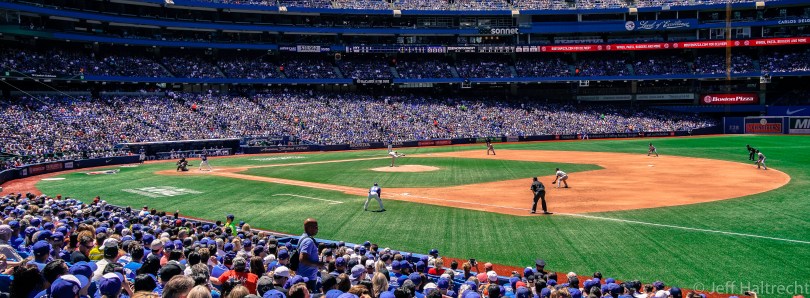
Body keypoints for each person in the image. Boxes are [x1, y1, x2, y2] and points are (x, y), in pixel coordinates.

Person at [298, 218, 321, 290]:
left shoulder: (303, 237)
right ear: (310, 228)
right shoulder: (308, 241)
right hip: (308, 278)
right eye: (316, 227)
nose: (317, 229)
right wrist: (318, 264)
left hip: (305, 275)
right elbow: (302, 259)